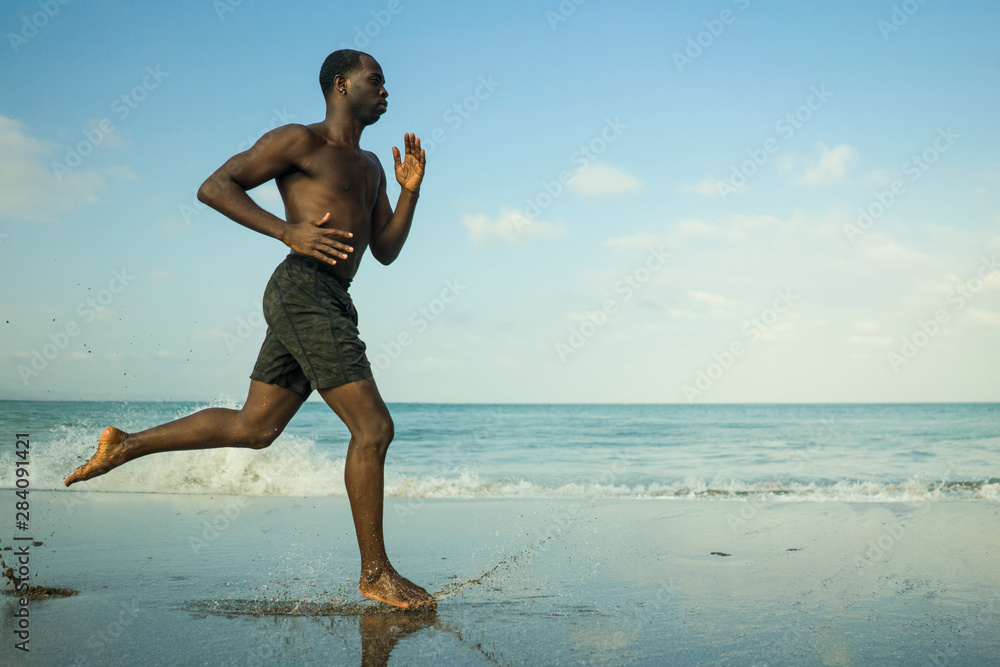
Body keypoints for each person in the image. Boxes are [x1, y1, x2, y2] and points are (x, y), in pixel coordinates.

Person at [64, 49, 436, 610]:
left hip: (330, 296)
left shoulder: (370, 167)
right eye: (376, 81)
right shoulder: (300, 141)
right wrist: (289, 232)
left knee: (256, 427)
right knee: (374, 428)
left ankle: (126, 445)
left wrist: (408, 192)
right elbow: (215, 186)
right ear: (341, 84)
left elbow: (383, 250)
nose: (386, 91)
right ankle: (375, 573)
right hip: (303, 290)